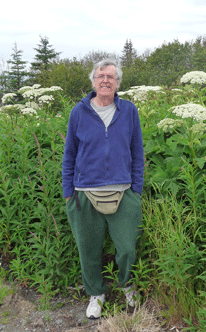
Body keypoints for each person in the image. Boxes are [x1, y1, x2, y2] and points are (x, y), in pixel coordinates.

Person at [62, 59, 144, 319]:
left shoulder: (129, 111)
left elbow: (137, 152)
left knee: (128, 247)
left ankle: (127, 285)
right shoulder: (79, 112)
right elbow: (70, 154)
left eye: (111, 76)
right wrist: (68, 192)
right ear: (93, 82)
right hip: (84, 192)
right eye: (100, 76)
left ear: (118, 83)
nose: (105, 80)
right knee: (88, 248)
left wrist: (136, 191)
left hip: (124, 192)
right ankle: (96, 293)